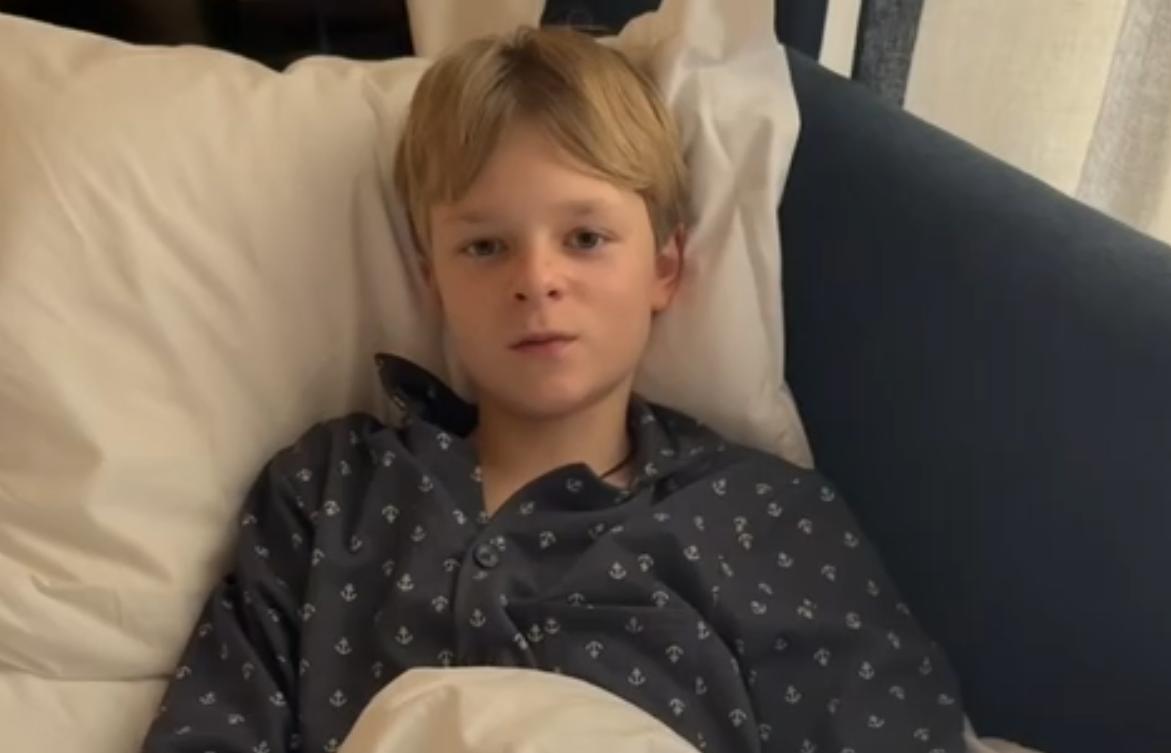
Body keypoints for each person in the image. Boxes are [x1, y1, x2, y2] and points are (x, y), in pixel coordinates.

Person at [142, 25, 966, 753]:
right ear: (433, 282)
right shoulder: (329, 495)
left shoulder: (762, 521)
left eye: (585, 237)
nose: (536, 279)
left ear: (664, 267)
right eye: (485, 247)